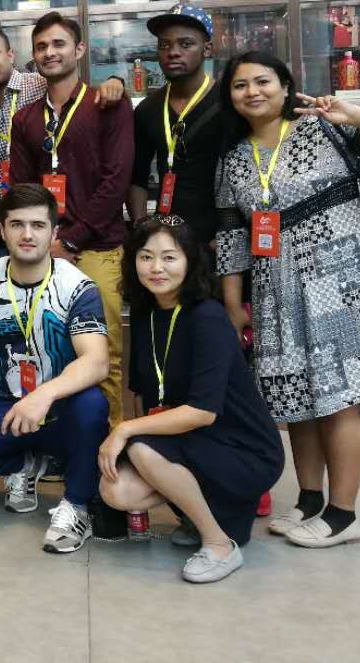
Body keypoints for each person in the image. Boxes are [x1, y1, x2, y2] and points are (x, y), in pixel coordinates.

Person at [214, 53, 360, 548]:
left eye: (263, 81)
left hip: (341, 277)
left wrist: (357, 116)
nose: (252, 91)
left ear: (286, 86)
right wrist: (233, 302)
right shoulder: (233, 158)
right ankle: (309, 499)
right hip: (275, 287)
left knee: (339, 399)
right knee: (296, 400)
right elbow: (232, 235)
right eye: (240, 85)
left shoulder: (326, 126)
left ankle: (343, 514)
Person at [0, 184, 111, 554]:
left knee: (92, 404)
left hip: (60, 408)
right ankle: (27, 461)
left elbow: (97, 361)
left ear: (54, 232)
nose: (27, 234)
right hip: (5, 406)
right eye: (17, 224)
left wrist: (43, 395)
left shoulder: (77, 286)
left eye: (38, 225)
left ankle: (76, 505)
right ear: (2, 230)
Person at [98, 217, 284, 583]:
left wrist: (125, 432)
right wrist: (134, 436)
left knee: (141, 449)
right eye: (146, 257)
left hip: (243, 447)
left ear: (190, 261)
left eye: (169, 257)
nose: (156, 268)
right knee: (116, 489)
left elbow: (202, 413)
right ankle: (198, 514)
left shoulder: (208, 316)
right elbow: (142, 391)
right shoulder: (146, 311)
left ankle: (219, 544)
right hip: (192, 439)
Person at [8, 12, 134, 430]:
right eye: (41, 46)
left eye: (59, 44)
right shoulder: (26, 118)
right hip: (45, 251)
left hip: (97, 248)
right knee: (47, 347)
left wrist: (72, 240)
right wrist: (43, 243)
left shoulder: (108, 104)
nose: (50, 52)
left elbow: (116, 182)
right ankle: (60, 441)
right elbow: (23, 190)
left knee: (103, 355)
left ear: (79, 49)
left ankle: (109, 444)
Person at [0, 22, 127, 272]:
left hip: (91, 236)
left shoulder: (40, 82)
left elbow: (72, 81)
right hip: (32, 232)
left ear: (11, 54)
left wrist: (116, 80)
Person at [126, 5, 224, 245]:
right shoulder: (148, 109)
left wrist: (228, 235)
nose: (173, 52)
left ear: (207, 49)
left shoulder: (229, 102)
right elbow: (137, 176)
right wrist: (141, 227)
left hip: (217, 240)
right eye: (164, 45)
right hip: (167, 239)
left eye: (186, 44)